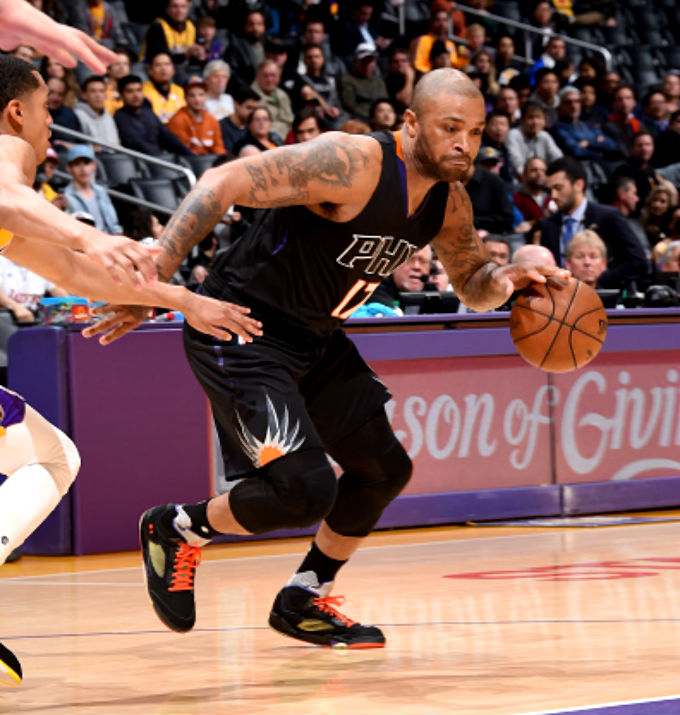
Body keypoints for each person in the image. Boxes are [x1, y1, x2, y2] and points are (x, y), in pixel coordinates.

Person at [84, 68, 567, 649]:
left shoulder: (450, 201)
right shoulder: (353, 162)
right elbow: (221, 181)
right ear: (411, 123)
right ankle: (177, 527)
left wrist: (509, 277)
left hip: (317, 338)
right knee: (303, 489)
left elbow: (471, 284)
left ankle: (304, 596)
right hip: (242, 326)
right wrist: (156, 279)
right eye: (450, 128)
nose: (465, 143)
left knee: (384, 470)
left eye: (477, 131)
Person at [0, 52, 261, 685]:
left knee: (55, 456)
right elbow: (15, 203)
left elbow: (71, 274)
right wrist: (91, 235)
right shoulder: (5, 159)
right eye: (46, 109)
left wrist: (186, 301)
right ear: (15, 111)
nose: (50, 125)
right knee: (52, 461)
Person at [539, 156, 648, 290]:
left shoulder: (608, 217)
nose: (553, 195)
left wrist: (597, 283)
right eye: (550, 190)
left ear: (579, 185)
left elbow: (637, 261)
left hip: (603, 299)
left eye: (558, 188)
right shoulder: (548, 225)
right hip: (560, 302)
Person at [114, 74, 192, 157]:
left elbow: (168, 138)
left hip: (158, 160)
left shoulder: (149, 114)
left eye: (139, 90)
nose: (135, 95)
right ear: (121, 95)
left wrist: (191, 156)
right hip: (139, 162)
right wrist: (158, 157)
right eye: (130, 91)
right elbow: (135, 144)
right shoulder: (120, 117)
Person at [63, 144, 121, 233]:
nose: (83, 169)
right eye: (77, 164)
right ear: (69, 168)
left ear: (94, 166)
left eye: (86, 163)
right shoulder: (65, 196)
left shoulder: (101, 191)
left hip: (108, 240)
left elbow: (113, 225)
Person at [167, 76, 226, 155]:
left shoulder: (212, 120)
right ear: (185, 98)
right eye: (192, 95)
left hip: (211, 161)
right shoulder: (178, 120)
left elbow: (219, 148)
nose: (197, 99)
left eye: (201, 95)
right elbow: (183, 151)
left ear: (206, 97)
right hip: (189, 162)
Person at [505, 102, 562, 178]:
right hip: (518, 181)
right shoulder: (513, 135)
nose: (535, 122)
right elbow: (517, 165)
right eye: (530, 118)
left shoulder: (544, 136)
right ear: (522, 121)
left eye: (538, 117)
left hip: (543, 179)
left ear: (544, 122)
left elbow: (559, 159)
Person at [370, 244, 434, 310]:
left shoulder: (432, 291)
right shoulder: (376, 289)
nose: (416, 267)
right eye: (409, 260)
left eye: (423, 261)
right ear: (394, 264)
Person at [339, 44, 388, 123]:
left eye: (370, 61)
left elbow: (385, 102)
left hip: (380, 117)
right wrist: (373, 117)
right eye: (364, 61)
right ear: (356, 62)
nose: (367, 65)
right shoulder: (347, 80)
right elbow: (350, 106)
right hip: (360, 118)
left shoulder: (378, 81)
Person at [251, 59, 294, 140]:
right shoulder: (250, 96)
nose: (269, 80)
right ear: (257, 76)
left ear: (279, 78)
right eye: (265, 75)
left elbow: (289, 123)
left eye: (273, 75)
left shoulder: (283, 95)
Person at [74, 74, 120, 149]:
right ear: (84, 95)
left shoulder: (109, 117)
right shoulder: (77, 115)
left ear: (105, 95)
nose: (98, 95)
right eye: (93, 91)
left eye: (101, 91)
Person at [143, 52, 186, 124]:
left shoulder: (180, 91)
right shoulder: (142, 91)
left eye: (167, 64)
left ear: (173, 70)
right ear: (150, 71)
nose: (163, 68)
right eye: (158, 65)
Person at [219, 85, 260, 153]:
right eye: (249, 108)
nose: (252, 112)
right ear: (236, 105)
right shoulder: (221, 126)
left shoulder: (252, 127)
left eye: (255, 109)